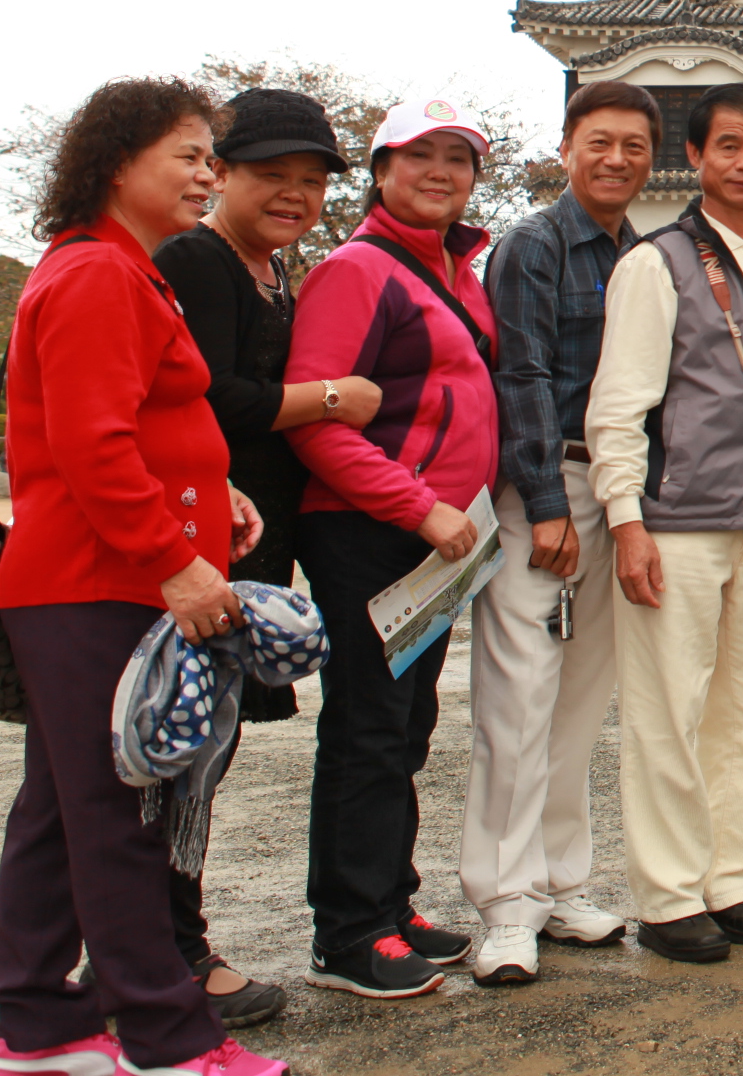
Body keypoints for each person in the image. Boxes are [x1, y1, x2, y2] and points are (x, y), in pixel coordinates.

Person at [0, 77, 285, 1076]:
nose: (208, 175)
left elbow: (136, 424)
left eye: (210, 158)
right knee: (119, 812)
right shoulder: (98, 275)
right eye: (189, 156)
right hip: (94, 581)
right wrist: (176, 562)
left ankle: (36, 1022)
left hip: (92, 579)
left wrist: (214, 488)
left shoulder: (118, 267)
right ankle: (164, 1036)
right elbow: (92, 445)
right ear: (119, 163)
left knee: (62, 808)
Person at [152, 87, 374, 1028]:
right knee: (176, 751)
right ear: (221, 174)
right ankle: (170, 951)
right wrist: (330, 398)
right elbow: (212, 398)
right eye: (271, 175)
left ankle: (151, 942)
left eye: (311, 181)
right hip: (199, 546)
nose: (294, 195)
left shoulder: (273, 271)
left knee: (206, 751)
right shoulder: (195, 260)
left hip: (250, 543)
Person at [587, 83, 743, 963]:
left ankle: (731, 881)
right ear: (695, 156)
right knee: (668, 710)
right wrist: (626, 520)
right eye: (729, 147)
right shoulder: (659, 262)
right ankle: (669, 896)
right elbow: (618, 406)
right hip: (678, 518)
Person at [285, 96, 498, 999]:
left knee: (405, 726)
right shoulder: (357, 270)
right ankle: (348, 932)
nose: (440, 172)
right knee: (367, 726)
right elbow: (314, 417)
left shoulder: (455, 270)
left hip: (435, 539)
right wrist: (418, 509)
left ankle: (389, 901)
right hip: (370, 529)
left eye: (459, 158)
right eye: (418, 155)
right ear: (380, 171)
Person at [462, 81, 660, 984]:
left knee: (581, 701)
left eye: (634, 146)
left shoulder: (643, 254)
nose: (616, 159)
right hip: (546, 486)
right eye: (599, 142)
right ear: (567, 148)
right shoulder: (533, 244)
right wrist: (545, 502)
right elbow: (523, 374)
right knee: (520, 697)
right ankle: (505, 903)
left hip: (618, 487)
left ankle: (559, 881)